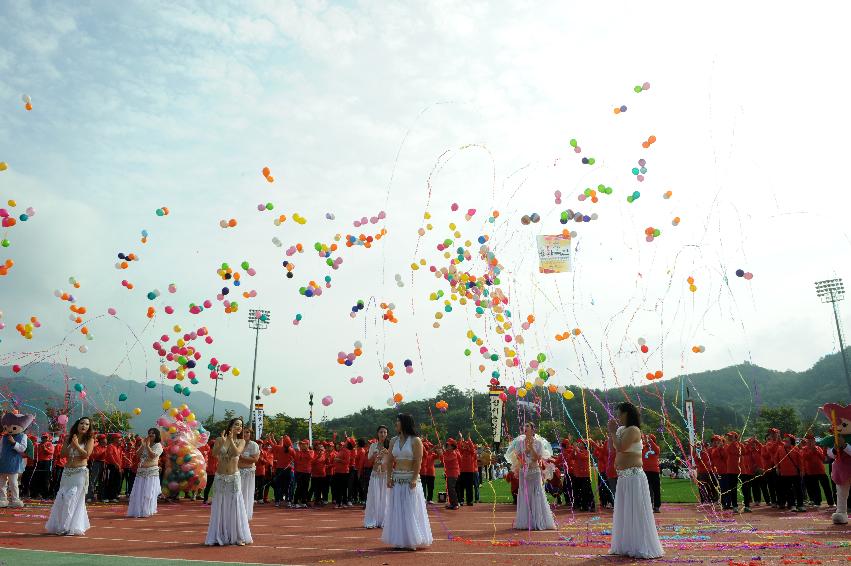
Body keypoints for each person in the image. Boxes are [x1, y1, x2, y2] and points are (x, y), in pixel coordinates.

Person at [608, 402, 664, 559]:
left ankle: (640, 545)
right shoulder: (621, 430)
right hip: (623, 477)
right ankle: (626, 544)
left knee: (636, 511)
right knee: (624, 512)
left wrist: (612, 432)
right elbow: (614, 448)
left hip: (634, 477)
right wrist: (613, 432)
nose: (618, 416)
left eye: (620, 413)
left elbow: (622, 447)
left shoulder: (633, 430)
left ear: (628, 413)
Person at [380, 414, 432, 550]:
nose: (396, 423)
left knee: (410, 509)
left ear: (405, 423)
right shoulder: (393, 440)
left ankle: (411, 541)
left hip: (410, 480)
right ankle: (400, 540)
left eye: (398, 421)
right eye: (396, 420)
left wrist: (414, 478)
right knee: (398, 509)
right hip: (397, 478)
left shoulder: (416, 441)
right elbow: (390, 460)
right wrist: (389, 478)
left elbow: (418, 461)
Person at [205, 418, 252, 546]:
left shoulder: (241, 441)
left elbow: (236, 452)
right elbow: (215, 453)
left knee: (235, 505)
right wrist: (225, 441)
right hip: (220, 476)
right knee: (219, 504)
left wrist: (231, 440)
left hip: (233, 476)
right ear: (230, 426)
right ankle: (218, 535)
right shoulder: (220, 440)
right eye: (236, 424)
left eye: (241, 425)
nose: (239, 427)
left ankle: (237, 536)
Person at [45, 417, 95, 535]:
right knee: (62, 497)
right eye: (82, 423)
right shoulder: (69, 438)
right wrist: (71, 444)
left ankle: (68, 527)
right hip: (67, 472)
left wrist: (76, 445)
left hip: (79, 473)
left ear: (89, 427)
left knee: (72, 498)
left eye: (87, 424)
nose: (84, 426)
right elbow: (62, 454)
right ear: (77, 425)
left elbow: (86, 455)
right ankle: (61, 525)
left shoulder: (90, 439)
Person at [506, 422, 555, 530]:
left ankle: (538, 521)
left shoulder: (538, 442)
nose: (525, 428)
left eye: (528, 426)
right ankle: (526, 521)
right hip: (524, 471)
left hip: (535, 471)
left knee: (537, 493)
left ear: (533, 430)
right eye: (525, 427)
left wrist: (531, 448)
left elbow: (538, 458)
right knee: (525, 494)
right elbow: (518, 456)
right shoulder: (520, 443)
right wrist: (524, 453)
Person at [127, 428, 163, 518]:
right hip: (141, 472)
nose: (150, 435)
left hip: (151, 472)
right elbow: (137, 455)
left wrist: (147, 446)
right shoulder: (145, 444)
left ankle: (147, 511)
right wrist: (143, 445)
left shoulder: (158, 445)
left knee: (148, 493)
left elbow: (152, 456)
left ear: (156, 435)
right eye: (149, 433)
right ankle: (138, 510)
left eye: (153, 434)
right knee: (138, 492)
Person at [364, 425, 389, 528]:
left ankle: (384, 520)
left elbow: (393, 461)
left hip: (385, 474)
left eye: (384, 432)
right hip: (375, 474)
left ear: (387, 434)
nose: (382, 434)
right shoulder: (373, 446)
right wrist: (374, 457)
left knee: (385, 497)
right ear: (377, 433)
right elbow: (369, 462)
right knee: (374, 496)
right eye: (381, 432)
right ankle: (372, 520)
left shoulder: (390, 445)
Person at [775, 433, 805, 512]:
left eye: (787, 439)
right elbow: (776, 459)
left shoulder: (796, 449)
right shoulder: (780, 449)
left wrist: (801, 470)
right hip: (784, 474)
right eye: (785, 439)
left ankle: (800, 505)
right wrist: (777, 468)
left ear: (791, 441)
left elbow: (800, 461)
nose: (785, 440)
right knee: (788, 490)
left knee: (798, 489)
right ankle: (792, 505)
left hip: (795, 473)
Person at [801, 433, 833, 507]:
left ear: (814, 441)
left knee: (826, 487)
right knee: (815, 488)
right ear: (807, 442)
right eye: (809, 441)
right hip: (811, 472)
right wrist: (811, 450)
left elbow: (823, 458)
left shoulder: (818, 448)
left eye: (812, 441)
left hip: (821, 471)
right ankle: (817, 502)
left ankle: (831, 502)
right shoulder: (804, 449)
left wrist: (817, 451)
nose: (810, 442)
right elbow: (806, 457)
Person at [238, 428, 260, 520]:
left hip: (247, 473)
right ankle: (237, 513)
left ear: (251, 434)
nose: (245, 434)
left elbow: (255, 460)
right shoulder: (237, 443)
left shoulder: (253, 445)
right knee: (237, 493)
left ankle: (245, 514)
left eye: (247, 432)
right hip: (237, 472)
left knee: (246, 493)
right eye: (243, 432)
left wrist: (241, 458)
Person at [270, 434, 294, 507]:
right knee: (288, 486)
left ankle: (277, 501)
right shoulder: (291, 450)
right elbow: (296, 459)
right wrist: (291, 464)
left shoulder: (279, 448)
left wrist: (270, 438)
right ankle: (288, 501)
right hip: (288, 470)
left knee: (278, 486)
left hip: (279, 470)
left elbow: (272, 445)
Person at [438, 438, 460, 509]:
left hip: (453, 473)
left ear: (452, 446)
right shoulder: (448, 452)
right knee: (449, 488)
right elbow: (443, 461)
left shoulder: (454, 453)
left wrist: (441, 454)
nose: (447, 445)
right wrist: (441, 453)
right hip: (449, 473)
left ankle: (455, 504)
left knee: (451, 488)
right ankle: (452, 503)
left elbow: (446, 459)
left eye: (448, 445)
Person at [641, 433, 661, 513]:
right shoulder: (643, 447)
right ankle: (648, 505)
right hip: (645, 471)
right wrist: (644, 439)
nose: (649, 440)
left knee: (656, 490)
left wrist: (650, 441)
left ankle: (656, 506)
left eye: (651, 439)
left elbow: (656, 449)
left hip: (654, 471)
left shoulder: (656, 448)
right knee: (647, 489)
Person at [457, 433, 477, 506]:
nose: (465, 445)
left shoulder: (472, 453)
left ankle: (469, 501)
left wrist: (469, 439)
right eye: (464, 444)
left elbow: (472, 448)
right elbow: (459, 447)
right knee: (461, 486)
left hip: (470, 471)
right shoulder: (461, 452)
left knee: (469, 487)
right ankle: (461, 500)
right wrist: (461, 438)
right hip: (462, 471)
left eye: (466, 444)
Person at [309, 441, 327, 506]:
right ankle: (311, 500)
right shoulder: (313, 452)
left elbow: (325, 462)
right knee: (314, 488)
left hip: (322, 473)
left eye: (320, 445)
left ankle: (319, 500)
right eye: (318, 445)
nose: (320, 446)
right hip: (315, 474)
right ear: (315, 446)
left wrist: (327, 459)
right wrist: (318, 457)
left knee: (321, 488)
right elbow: (311, 462)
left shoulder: (323, 453)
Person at [420, 440, 436, 504]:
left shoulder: (431, 454)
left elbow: (439, 456)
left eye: (430, 446)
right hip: (424, 473)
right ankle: (423, 498)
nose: (430, 447)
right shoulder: (422, 453)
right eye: (428, 446)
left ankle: (429, 499)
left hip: (430, 473)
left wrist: (438, 449)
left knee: (430, 487)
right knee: (423, 486)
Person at [202, 437, 218, 505]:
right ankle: (206, 499)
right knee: (212, 486)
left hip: (211, 470)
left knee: (209, 486)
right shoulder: (212, 452)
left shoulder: (209, 451)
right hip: (212, 471)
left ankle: (206, 499)